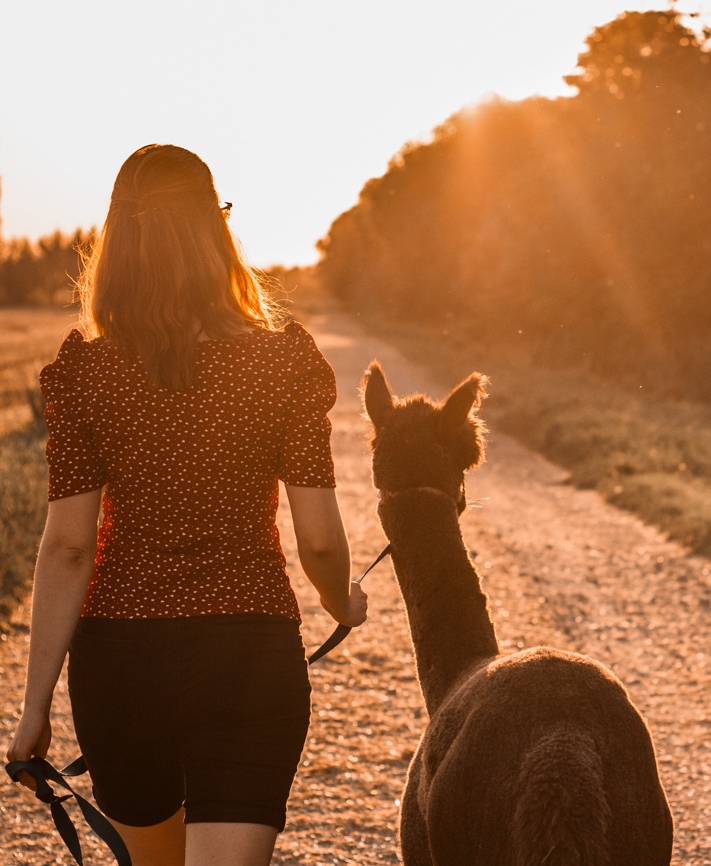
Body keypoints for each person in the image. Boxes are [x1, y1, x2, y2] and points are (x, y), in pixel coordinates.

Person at [6, 143, 367, 866]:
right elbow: (319, 541)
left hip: (121, 663)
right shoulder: (284, 360)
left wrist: (33, 706)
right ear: (215, 230)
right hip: (247, 648)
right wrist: (339, 601)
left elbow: (71, 547)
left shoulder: (84, 369)